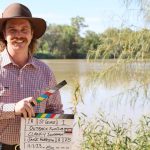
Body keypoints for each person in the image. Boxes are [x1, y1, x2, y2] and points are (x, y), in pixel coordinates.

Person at [0, 3, 64, 150]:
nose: (19, 35)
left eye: (24, 29)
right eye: (12, 30)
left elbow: (56, 109)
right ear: (4, 34)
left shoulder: (45, 71)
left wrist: (55, 128)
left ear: (32, 33)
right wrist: (13, 108)